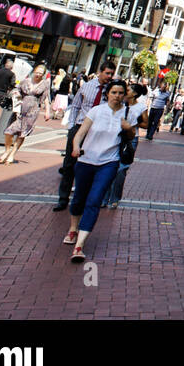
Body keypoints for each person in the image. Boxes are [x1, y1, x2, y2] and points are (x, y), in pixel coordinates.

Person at [63, 79, 133, 262]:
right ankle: (73, 228)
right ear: (107, 94)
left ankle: (79, 245)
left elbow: (132, 135)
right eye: (114, 92)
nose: (117, 96)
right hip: (86, 160)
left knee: (94, 200)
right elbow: (80, 133)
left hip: (109, 162)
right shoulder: (96, 111)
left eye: (120, 93)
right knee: (79, 198)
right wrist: (76, 147)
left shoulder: (127, 114)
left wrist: (129, 128)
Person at [53, 61, 115, 212]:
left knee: (89, 165)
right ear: (100, 72)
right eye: (107, 73)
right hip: (80, 127)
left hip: (97, 132)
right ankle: (63, 198)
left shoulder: (111, 90)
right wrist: (72, 126)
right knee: (69, 164)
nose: (109, 76)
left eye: (112, 74)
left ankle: (83, 199)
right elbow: (75, 106)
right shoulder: (87, 86)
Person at [103, 83, 149, 209]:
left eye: (127, 90)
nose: (124, 92)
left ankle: (115, 198)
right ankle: (104, 197)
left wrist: (133, 123)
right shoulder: (120, 103)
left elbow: (146, 124)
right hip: (115, 136)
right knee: (109, 166)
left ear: (134, 94)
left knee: (121, 169)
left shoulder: (141, 107)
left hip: (130, 139)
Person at [0, 65, 51, 164]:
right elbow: (17, 91)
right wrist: (16, 101)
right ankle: (7, 151)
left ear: (43, 75)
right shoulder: (26, 81)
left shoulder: (45, 84)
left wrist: (47, 111)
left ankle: (12, 154)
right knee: (9, 131)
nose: (38, 74)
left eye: (40, 73)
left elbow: (46, 98)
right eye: (37, 72)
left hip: (33, 111)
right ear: (34, 71)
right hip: (20, 109)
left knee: (22, 134)